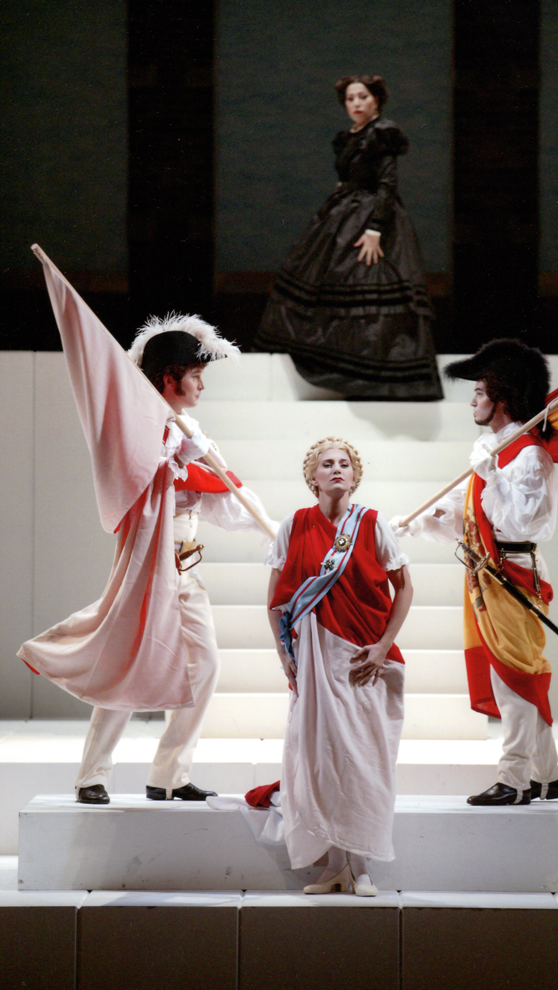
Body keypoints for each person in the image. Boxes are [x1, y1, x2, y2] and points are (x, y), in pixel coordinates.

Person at [19, 314, 275, 805]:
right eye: (195, 375)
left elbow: (226, 495)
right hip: (146, 567)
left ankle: (169, 775)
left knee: (207, 667)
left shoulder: (191, 429)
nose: (201, 385)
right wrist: (181, 462)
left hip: (186, 569)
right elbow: (134, 485)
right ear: (169, 377)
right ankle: (92, 774)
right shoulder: (139, 428)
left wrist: (276, 532)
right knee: (125, 666)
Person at [395, 340, 558, 805]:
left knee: (515, 678)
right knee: (515, 676)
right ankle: (547, 776)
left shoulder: (528, 454)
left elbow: (518, 523)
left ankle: (514, 781)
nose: (472, 399)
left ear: (502, 396)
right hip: (487, 572)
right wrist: (425, 519)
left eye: (479, 390)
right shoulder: (491, 448)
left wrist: (492, 475)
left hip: (513, 573)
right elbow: (473, 518)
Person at [266, 437, 412, 894]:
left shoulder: (371, 523)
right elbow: (277, 601)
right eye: (325, 464)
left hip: (364, 658)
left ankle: (362, 865)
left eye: (343, 464)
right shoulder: (294, 525)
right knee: (320, 757)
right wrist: (285, 657)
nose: (335, 470)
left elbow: (404, 588)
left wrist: (385, 646)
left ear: (355, 474)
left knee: (364, 759)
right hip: (312, 658)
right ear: (312, 477)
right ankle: (334, 865)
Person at [254, 74, 443, 401]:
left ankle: (374, 377)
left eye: (362, 97)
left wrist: (375, 229)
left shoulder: (382, 134)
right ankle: (340, 368)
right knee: (324, 284)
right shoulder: (350, 136)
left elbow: (387, 184)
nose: (356, 104)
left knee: (370, 289)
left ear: (376, 100)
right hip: (344, 215)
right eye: (350, 99)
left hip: (372, 217)